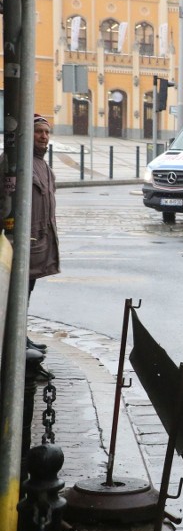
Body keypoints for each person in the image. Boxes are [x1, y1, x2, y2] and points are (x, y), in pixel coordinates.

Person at [28, 114, 60, 362]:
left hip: (38, 243)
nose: (44, 136)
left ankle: (21, 337)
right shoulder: (19, 163)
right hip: (23, 244)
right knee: (18, 294)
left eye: (47, 132)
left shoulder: (44, 166)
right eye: (39, 131)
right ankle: (17, 339)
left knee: (26, 293)